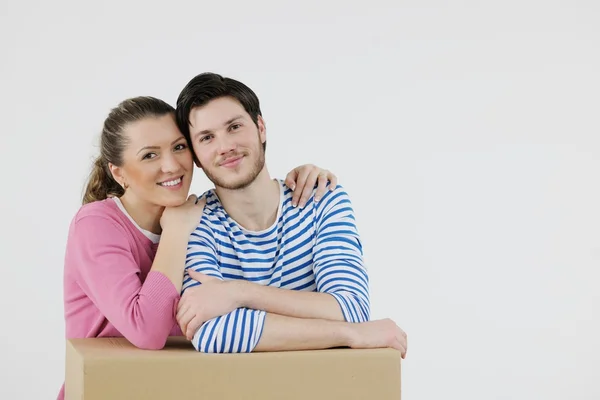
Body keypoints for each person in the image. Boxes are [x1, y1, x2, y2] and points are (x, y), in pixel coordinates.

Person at [58, 95, 339, 399]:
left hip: (183, 386)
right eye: (149, 155)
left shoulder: (204, 217)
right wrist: (176, 233)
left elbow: (246, 310)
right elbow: (147, 330)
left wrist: (299, 182)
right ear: (118, 172)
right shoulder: (97, 224)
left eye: (179, 147)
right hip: (110, 389)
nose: (171, 165)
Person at [173, 72, 408, 357]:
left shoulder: (322, 199)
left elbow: (351, 308)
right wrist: (350, 334)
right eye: (207, 137)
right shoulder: (193, 222)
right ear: (196, 155)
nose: (225, 147)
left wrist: (237, 293)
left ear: (261, 128)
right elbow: (211, 333)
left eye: (234, 127)